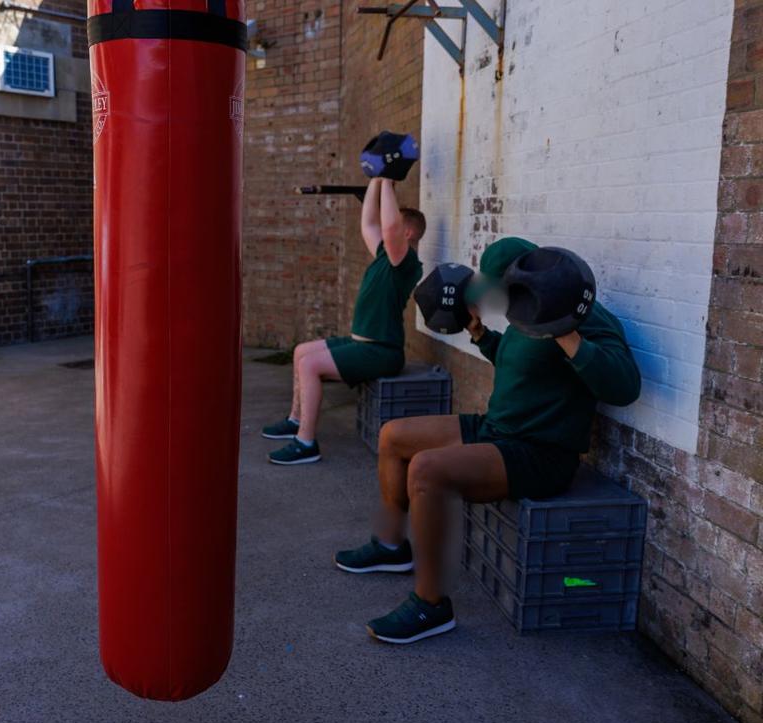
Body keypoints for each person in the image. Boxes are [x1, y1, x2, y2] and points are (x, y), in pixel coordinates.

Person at [333, 237, 642, 643]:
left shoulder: (578, 315)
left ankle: (431, 605)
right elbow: (519, 363)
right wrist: (481, 335)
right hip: (498, 427)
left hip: (540, 452)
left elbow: (625, 387)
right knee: (394, 436)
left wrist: (566, 332)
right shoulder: (522, 311)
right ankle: (391, 546)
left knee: (427, 469)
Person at [261, 177, 426, 465]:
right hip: (361, 342)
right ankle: (295, 420)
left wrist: (389, 180)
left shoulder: (405, 262)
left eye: (398, 227)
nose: (389, 231)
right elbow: (370, 226)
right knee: (302, 351)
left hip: (382, 351)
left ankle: (305, 442)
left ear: (407, 232)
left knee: (309, 365)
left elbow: (387, 227)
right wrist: (375, 180)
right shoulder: (384, 256)